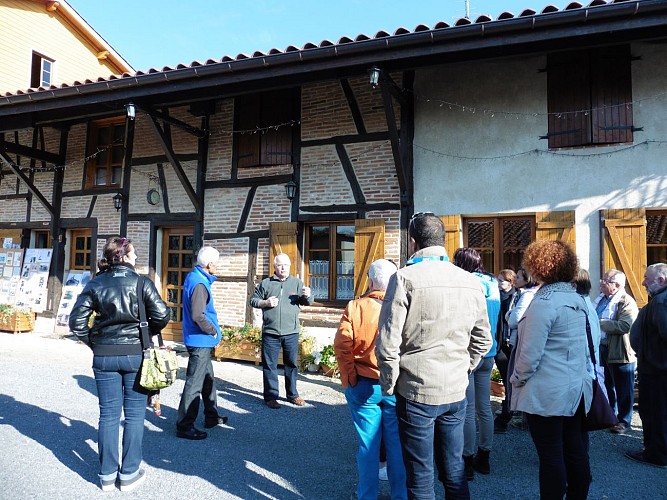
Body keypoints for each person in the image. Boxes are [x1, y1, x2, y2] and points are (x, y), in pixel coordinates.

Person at [376, 212, 492, 500]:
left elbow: (387, 343)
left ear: (413, 243)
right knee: (454, 472)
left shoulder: (403, 278)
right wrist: (465, 368)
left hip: (416, 390)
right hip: (454, 390)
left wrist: (389, 385)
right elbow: (483, 339)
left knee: (420, 476)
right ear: (443, 241)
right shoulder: (470, 281)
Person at [69, 236, 170, 492]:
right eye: (134, 254)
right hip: (136, 354)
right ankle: (128, 474)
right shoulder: (141, 283)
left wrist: (96, 341)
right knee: (135, 416)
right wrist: (144, 333)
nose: (137, 258)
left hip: (104, 356)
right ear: (123, 256)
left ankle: (106, 476)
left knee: (108, 415)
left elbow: (76, 323)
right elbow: (162, 314)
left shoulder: (96, 283)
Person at [510, 240, 592, 500]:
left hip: (548, 392)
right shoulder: (576, 298)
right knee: (575, 450)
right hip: (576, 389)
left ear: (537, 266)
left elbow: (529, 355)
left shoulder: (544, 301)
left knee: (551, 455)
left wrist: (517, 380)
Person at [334, 259, 407, 500]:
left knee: (368, 445)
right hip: (395, 384)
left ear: (371, 280)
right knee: (396, 445)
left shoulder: (356, 307)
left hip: (365, 384)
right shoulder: (403, 306)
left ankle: (366, 495)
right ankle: (401, 495)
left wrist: (349, 378)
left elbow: (342, 345)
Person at [453, 248, 501, 480]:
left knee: (469, 410)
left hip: (469, 351)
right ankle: (486, 456)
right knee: (485, 408)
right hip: (489, 350)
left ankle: (468, 460)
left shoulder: (465, 283)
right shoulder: (492, 282)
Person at [176, 246, 227, 440]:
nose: (217, 266)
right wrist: (213, 331)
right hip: (200, 340)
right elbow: (198, 315)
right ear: (210, 264)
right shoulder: (199, 283)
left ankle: (211, 416)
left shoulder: (195, 277)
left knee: (208, 380)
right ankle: (184, 425)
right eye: (216, 263)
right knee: (194, 384)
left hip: (199, 340)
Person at [250, 253, 312, 409]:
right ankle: (271, 397)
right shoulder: (266, 284)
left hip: (291, 332)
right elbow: (253, 300)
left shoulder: (297, 283)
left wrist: (309, 296)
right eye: (279, 265)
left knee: (291, 364)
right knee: (270, 366)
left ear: (290, 266)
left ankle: (293, 395)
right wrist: (265, 302)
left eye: (286, 265)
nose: (283, 267)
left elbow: (306, 302)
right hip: (270, 332)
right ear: (275, 266)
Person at [626, 263, 667, 468]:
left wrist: (651, 358)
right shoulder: (659, 301)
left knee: (655, 413)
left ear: (661, 280)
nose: (642, 282)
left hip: (657, 370)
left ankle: (656, 454)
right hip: (655, 368)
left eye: (646, 279)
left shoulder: (661, 302)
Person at [594, 269, 638, 434]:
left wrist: (600, 323)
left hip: (620, 351)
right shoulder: (601, 300)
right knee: (608, 385)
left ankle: (624, 421)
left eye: (605, 280)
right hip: (603, 347)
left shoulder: (626, 301)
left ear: (617, 285)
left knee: (623, 387)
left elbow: (625, 326)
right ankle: (610, 417)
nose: (601, 282)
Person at [495, 268, 539, 433]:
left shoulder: (526, 295)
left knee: (512, 379)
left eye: (519, 276)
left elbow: (513, 319)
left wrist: (509, 316)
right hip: (514, 340)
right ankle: (518, 415)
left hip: (515, 341)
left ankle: (506, 416)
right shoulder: (524, 295)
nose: (516, 279)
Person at [493, 269, 517, 434]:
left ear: (511, 282)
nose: (499, 283)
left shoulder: (516, 297)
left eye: (502, 280)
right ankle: (508, 406)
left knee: (511, 378)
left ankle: (508, 411)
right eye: (499, 280)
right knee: (506, 377)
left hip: (511, 343)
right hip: (500, 342)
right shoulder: (497, 298)